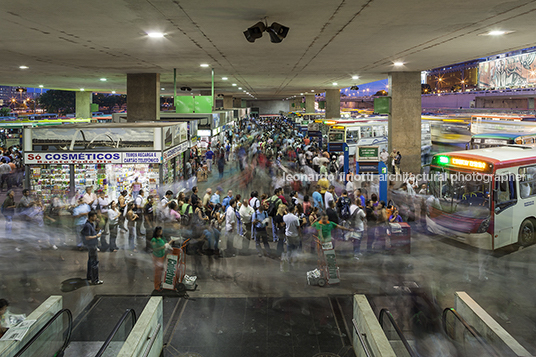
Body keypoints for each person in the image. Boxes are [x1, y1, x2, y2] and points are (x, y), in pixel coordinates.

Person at [81, 211, 103, 285]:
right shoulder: (87, 225)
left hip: (92, 245)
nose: (96, 218)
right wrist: (97, 236)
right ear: (91, 217)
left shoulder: (91, 224)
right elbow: (87, 237)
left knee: (91, 261)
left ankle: (90, 276)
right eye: (95, 216)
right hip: (91, 245)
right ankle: (95, 280)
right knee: (94, 262)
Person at [151, 227, 168, 292]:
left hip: (162, 256)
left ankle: (159, 283)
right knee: (157, 272)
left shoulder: (162, 238)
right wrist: (162, 247)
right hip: (157, 257)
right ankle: (157, 286)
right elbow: (155, 248)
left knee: (160, 271)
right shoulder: (154, 240)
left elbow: (165, 243)